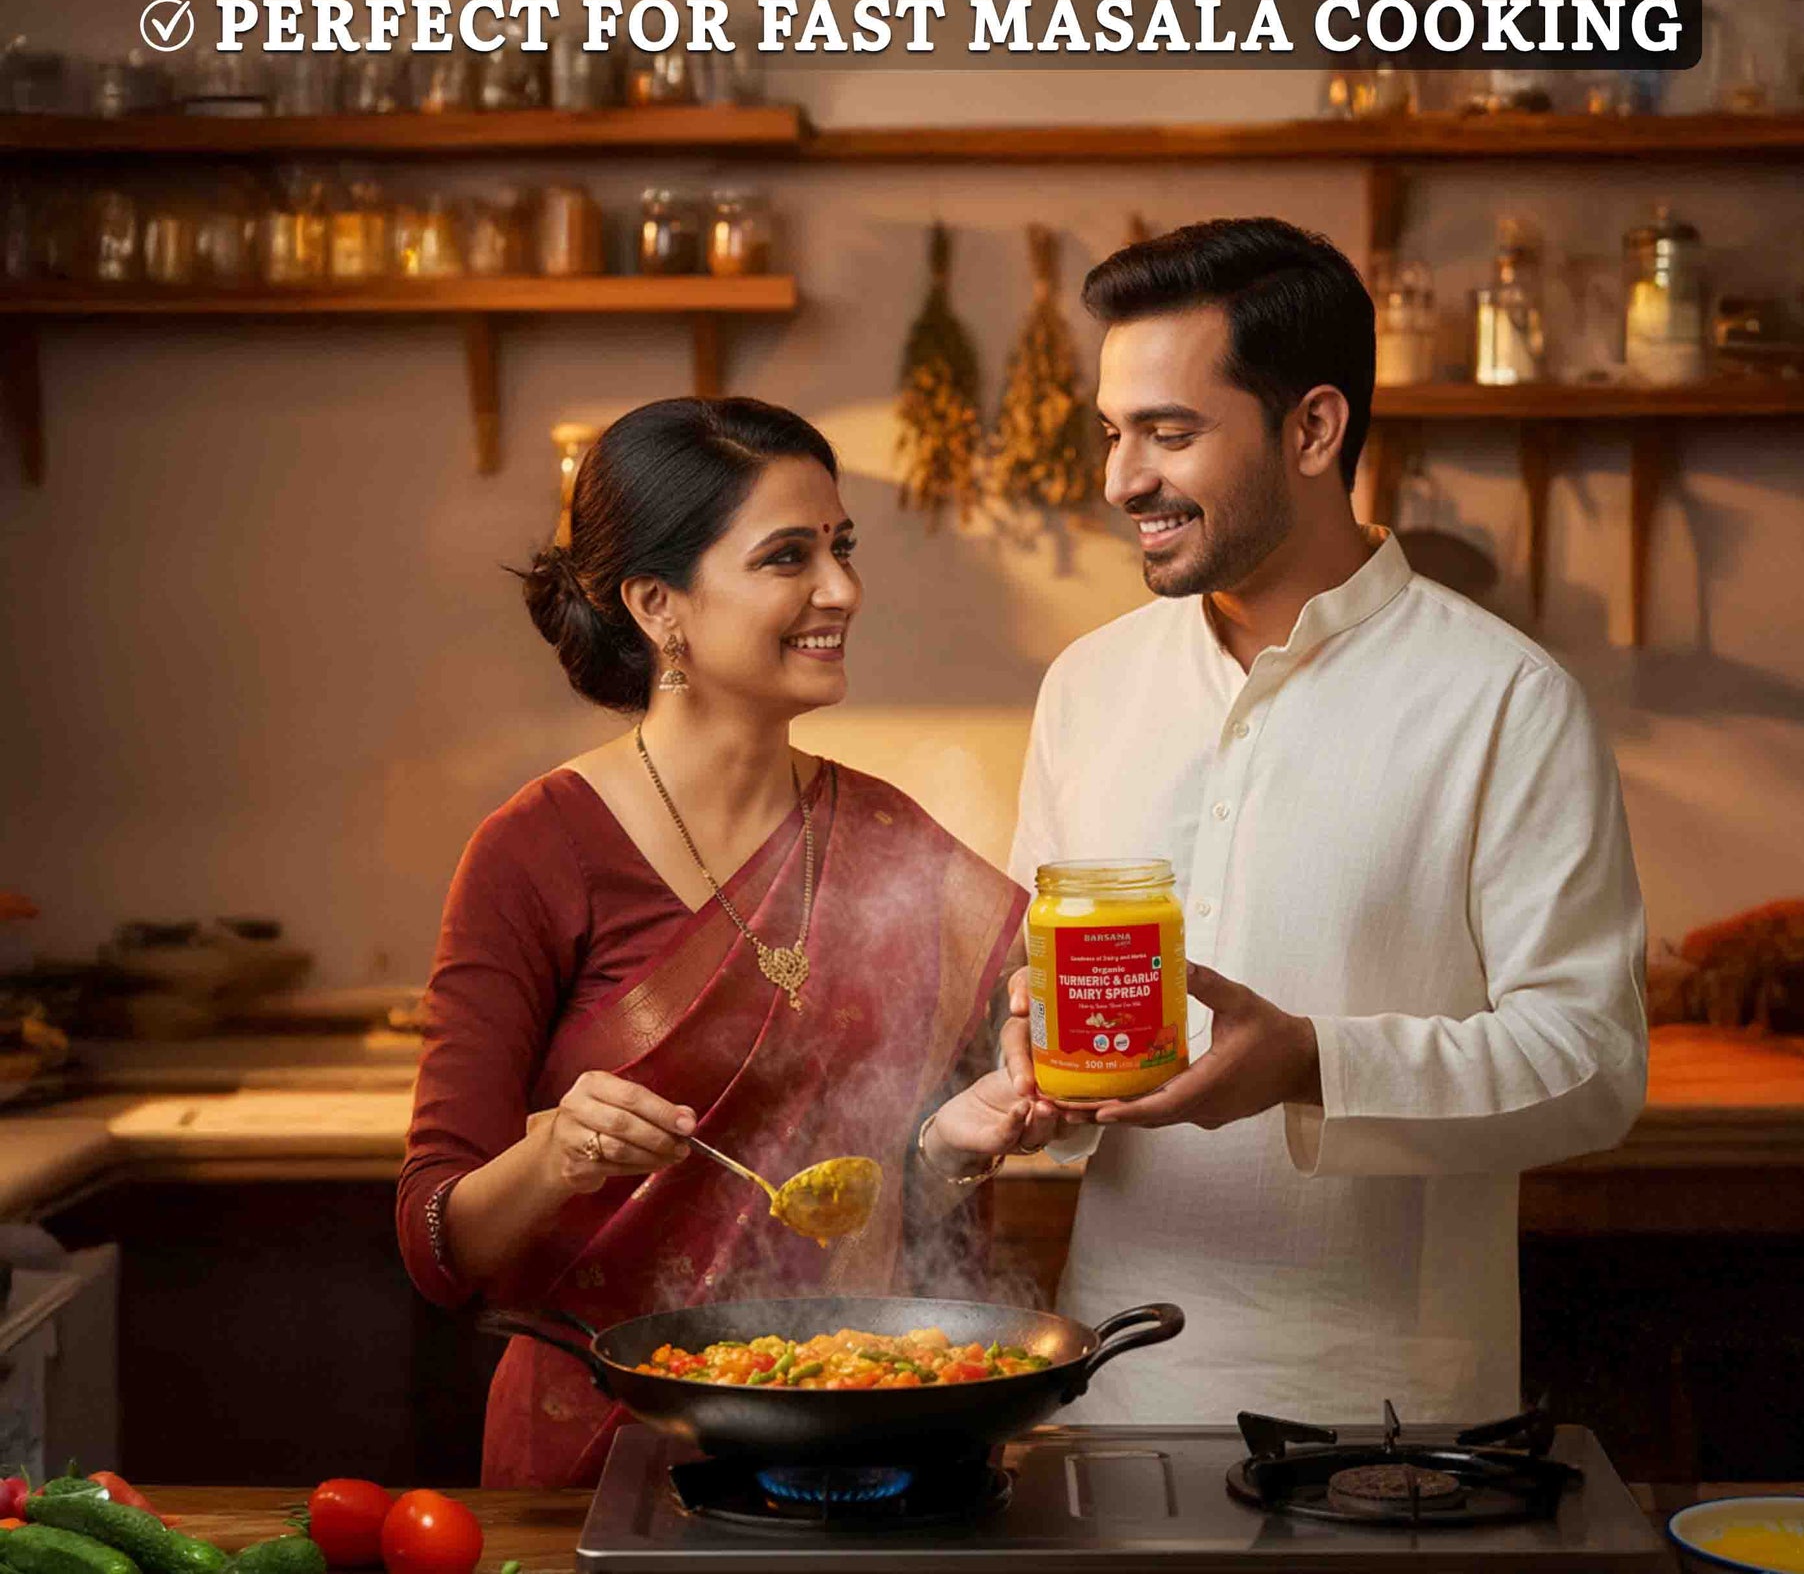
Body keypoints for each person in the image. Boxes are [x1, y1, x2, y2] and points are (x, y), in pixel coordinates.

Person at [1006, 218, 1648, 1423]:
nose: (1118, 479)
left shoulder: (1502, 700)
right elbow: (1029, 987)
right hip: (1107, 1382)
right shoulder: (1086, 686)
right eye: (1112, 431)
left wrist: (1313, 1062)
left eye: (1169, 432)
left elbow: (1592, 1063)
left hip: (1388, 1416)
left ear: (1311, 427)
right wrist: (1021, 1061)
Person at [397, 397, 1050, 1487]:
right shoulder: (535, 851)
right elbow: (436, 1240)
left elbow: (920, 1196)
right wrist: (558, 1151)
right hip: (596, 1449)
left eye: (840, 548)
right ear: (659, 604)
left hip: (853, 1428)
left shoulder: (890, 839)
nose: (840, 590)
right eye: (786, 556)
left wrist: (945, 1148)